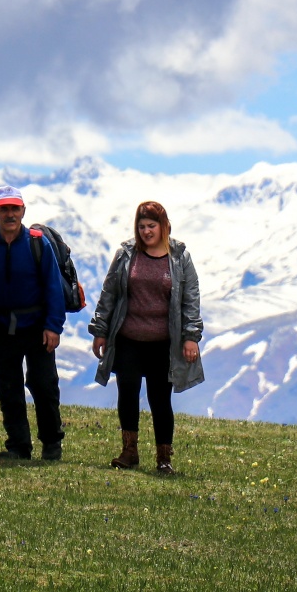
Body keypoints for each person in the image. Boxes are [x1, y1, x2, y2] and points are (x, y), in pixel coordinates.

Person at [90, 201, 203, 475]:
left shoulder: (179, 257)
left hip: (163, 343)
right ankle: (129, 451)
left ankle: (164, 457)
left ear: (163, 226)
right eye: (141, 227)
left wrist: (191, 337)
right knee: (127, 391)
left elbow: (191, 298)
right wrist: (100, 330)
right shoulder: (126, 255)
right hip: (129, 337)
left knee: (160, 399)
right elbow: (109, 294)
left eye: (151, 226)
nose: (146, 232)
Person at [0, 185, 67, 461]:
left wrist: (53, 326)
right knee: (8, 387)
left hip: (37, 326)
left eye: (14, 208)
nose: (9, 214)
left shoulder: (37, 243)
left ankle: (51, 444)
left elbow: (53, 287)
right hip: (2, 325)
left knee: (43, 385)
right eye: (4, 209)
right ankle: (19, 446)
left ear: (23, 211)